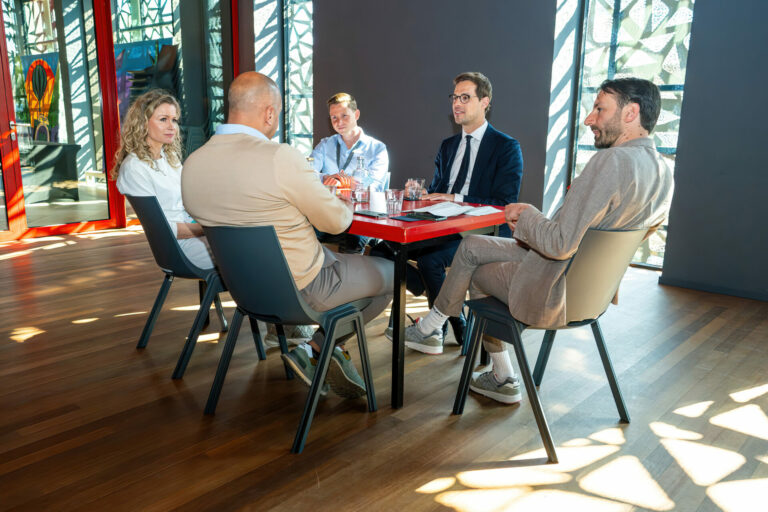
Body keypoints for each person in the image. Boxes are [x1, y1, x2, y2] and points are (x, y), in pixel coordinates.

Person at [404, 77, 674, 405]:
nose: (589, 118)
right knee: (472, 246)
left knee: (479, 273)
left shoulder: (611, 161)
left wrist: (528, 214)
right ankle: (434, 327)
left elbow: (559, 244)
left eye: (600, 109)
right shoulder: (662, 169)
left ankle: (502, 375)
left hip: (556, 285)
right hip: (590, 289)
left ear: (631, 113)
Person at [181, 72, 393, 399]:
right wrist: (342, 199)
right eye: (277, 114)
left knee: (343, 260)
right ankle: (318, 349)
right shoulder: (278, 157)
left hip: (245, 290)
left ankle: (314, 351)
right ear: (269, 113)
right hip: (305, 287)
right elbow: (337, 223)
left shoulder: (193, 164)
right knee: (395, 273)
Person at [373, 71, 523, 351]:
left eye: (465, 97)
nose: (457, 103)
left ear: (485, 102)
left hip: (479, 230)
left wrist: (455, 197)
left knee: (430, 261)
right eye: (455, 97)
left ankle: (444, 326)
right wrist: (419, 196)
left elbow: (504, 202)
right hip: (442, 225)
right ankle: (452, 317)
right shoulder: (448, 146)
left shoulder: (506, 147)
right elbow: (438, 191)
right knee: (382, 249)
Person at [113, 89, 213, 270]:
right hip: (179, 247)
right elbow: (164, 229)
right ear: (142, 123)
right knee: (246, 252)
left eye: (174, 120)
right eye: (163, 119)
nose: (172, 126)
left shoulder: (170, 158)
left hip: (194, 232)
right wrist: (210, 228)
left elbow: (189, 198)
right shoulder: (135, 168)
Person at [312, 92, 389, 254]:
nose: (339, 122)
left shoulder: (377, 148)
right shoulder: (325, 145)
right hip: (328, 212)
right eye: (334, 118)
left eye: (344, 116)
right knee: (303, 229)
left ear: (356, 114)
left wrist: (351, 185)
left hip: (358, 216)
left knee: (352, 240)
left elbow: (374, 186)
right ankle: (315, 276)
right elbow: (306, 172)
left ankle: (350, 279)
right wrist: (324, 177)